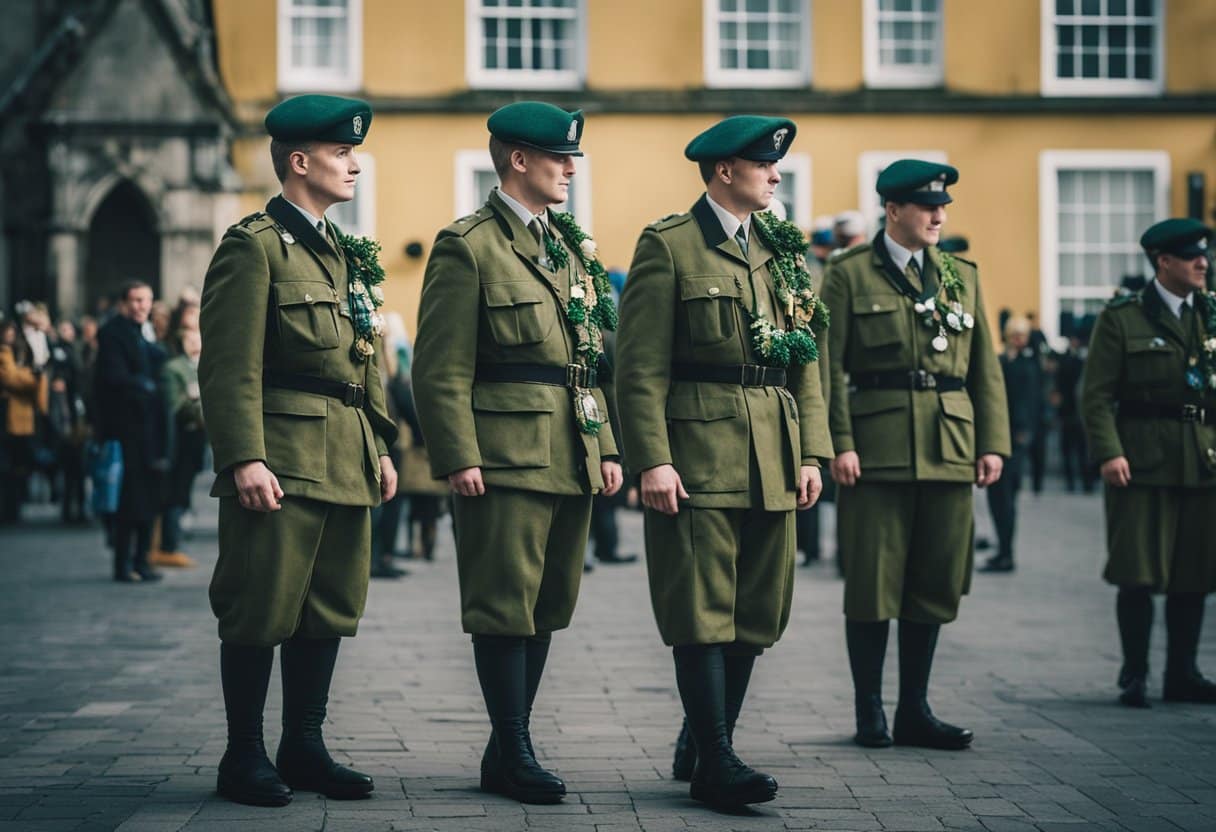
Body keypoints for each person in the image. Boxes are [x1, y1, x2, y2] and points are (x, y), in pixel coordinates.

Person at [615, 115, 831, 809]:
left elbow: (806, 363)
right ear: (723, 172)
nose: (776, 173)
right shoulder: (670, 246)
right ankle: (717, 761)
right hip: (699, 453)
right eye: (763, 164)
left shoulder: (784, 252)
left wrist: (813, 453)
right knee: (702, 609)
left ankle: (707, 740)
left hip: (774, 451)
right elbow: (638, 367)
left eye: (777, 165)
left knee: (754, 612)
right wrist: (652, 459)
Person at [412, 101, 622, 805]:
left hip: (569, 447)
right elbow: (439, 367)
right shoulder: (467, 245)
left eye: (573, 158)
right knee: (506, 604)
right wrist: (457, 453)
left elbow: (588, 359)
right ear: (518, 160)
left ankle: (508, 747)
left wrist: (608, 445)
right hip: (502, 450)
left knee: (548, 603)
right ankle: (515, 746)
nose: (570, 168)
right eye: (559, 157)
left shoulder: (564, 245)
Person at [198, 94, 398, 807]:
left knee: (328, 606)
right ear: (300, 161)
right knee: (261, 603)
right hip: (280, 456)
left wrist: (378, 439)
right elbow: (228, 365)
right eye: (342, 154)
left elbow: (359, 360)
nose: (354, 164)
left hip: (344, 454)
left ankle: (303, 745)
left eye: (354, 153)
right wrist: (243, 456)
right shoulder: (254, 246)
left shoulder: (340, 251)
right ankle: (244, 755)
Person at [820, 159, 1009, 751]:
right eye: (927, 206)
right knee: (873, 585)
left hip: (950, 446)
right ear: (893, 210)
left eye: (943, 206)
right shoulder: (849, 273)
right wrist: (840, 443)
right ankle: (869, 709)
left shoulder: (961, 274)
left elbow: (987, 370)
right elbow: (829, 368)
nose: (938, 215)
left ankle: (915, 709)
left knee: (934, 580)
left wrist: (992, 442)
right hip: (874, 452)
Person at [1081, 217, 1216, 708]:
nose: (1203, 263)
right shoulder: (1123, 318)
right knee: (1137, 570)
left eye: (1204, 254)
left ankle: (1183, 673)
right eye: (1191, 256)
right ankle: (1134, 673)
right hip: (1140, 461)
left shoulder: (1211, 315)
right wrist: (1109, 451)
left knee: (1194, 573)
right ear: (1164, 262)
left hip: (1202, 461)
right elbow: (1095, 396)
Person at [95, 282, 170, 582]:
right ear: (124, 303)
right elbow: (114, 378)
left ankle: (141, 560)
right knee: (129, 499)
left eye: (146, 300)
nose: (141, 306)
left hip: (147, 430)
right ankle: (124, 563)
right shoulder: (114, 333)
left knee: (147, 496)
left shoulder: (142, 333)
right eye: (136, 300)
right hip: (126, 430)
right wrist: (146, 387)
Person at [980, 317, 1043, 573]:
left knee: (1006, 497)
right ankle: (1002, 549)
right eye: (1014, 334)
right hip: (1001, 434)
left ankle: (1006, 552)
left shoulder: (1028, 365)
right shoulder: (1004, 361)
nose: (1018, 338)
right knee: (998, 497)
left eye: (1022, 334)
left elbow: (1030, 403)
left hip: (1015, 440)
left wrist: (1023, 433)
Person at [154, 327, 205, 568]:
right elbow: (176, 405)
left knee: (184, 490)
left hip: (198, 442)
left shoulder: (206, 365)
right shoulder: (174, 368)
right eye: (190, 338)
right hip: (179, 442)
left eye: (198, 337)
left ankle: (174, 540)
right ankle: (168, 544)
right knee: (175, 492)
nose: (195, 342)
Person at [0, 318, 48, 524]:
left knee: (18, 463)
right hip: (7, 417)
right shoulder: (4, 353)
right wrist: (31, 376)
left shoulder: (19, 351)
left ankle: (13, 506)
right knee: (8, 463)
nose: (10, 336)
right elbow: (11, 378)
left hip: (21, 418)